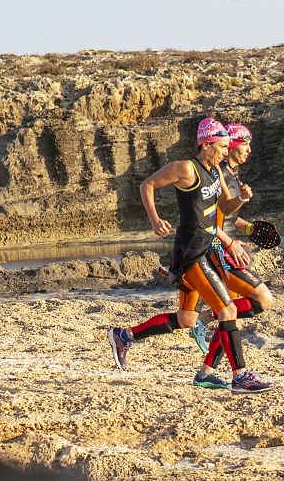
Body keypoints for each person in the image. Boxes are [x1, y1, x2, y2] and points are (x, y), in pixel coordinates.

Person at [106, 118, 273, 394]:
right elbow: (147, 185)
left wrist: (241, 198)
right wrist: (154, 219)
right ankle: (240, 376)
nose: (224, 151)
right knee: (227, 310)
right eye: (221, 146)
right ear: (205, 144)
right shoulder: (185, 168)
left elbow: (224, 208)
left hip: (207, 251)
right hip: (191, 254)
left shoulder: (216, 171)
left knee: (185, 319)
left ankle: (124, 336)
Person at [189, 122, 276, 363]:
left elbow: (227, 215)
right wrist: (227, 243)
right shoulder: (219, 173)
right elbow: (206, 218)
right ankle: (205, 319)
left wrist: (247, 228)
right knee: (249, 305)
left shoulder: (229, 174)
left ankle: (208, 371)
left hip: (224, 246)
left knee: (233, 316)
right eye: (245, 144)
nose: (249, 149)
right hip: (217, 249)